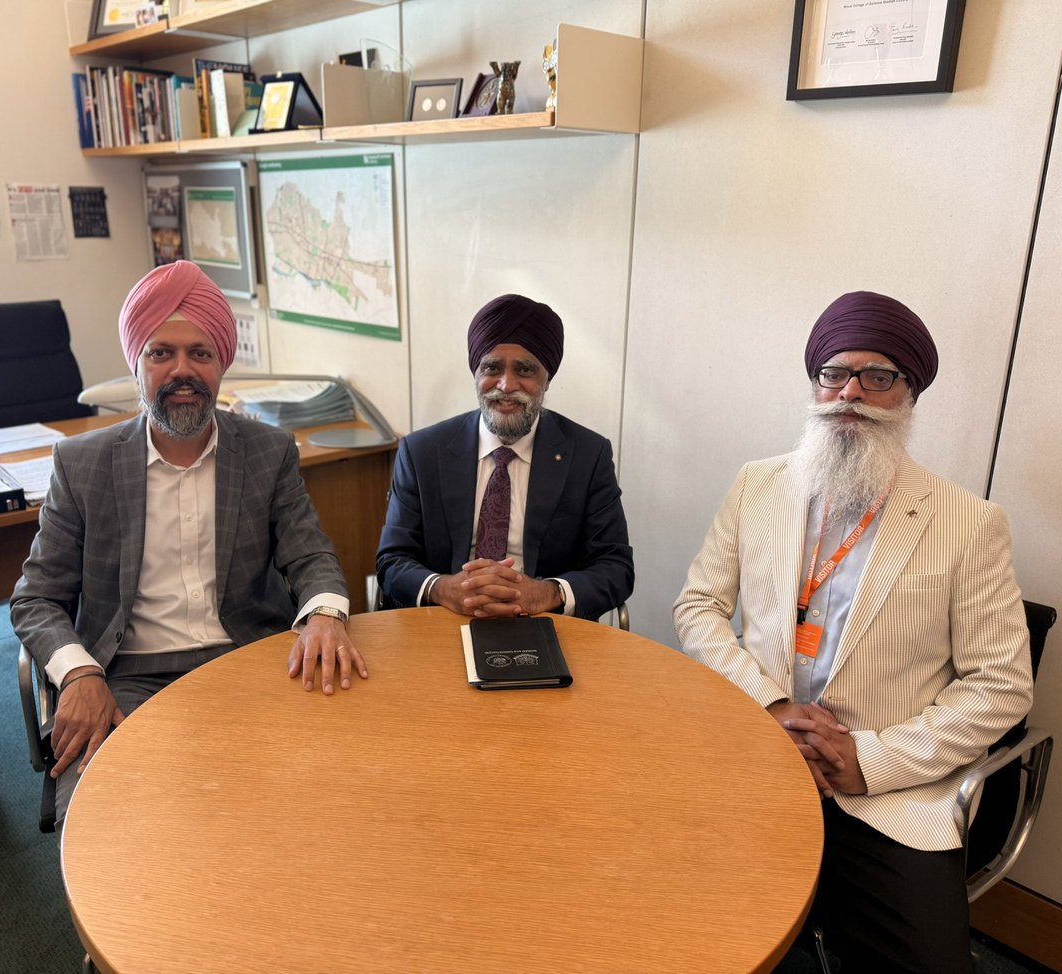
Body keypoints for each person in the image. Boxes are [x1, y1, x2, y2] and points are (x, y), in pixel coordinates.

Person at [673, 290, 1033, 971]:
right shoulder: (758, 485)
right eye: (833, 374)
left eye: (878, 376)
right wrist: (771, 705)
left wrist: (865, 760)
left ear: (910, 394)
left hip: (887, 792)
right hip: (755, 751)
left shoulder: (968, 521)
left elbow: (1002, 686)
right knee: (676, 924)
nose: (850, 394)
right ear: (814, 384)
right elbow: (698, 606)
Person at [11, 260, 366, 824]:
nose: (183, 370)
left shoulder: (267, 451)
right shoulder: (82, 463)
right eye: (161, 353)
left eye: (200, 353)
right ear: (137, 365)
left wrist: (324, 614)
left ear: (222, 363)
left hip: (248, 658)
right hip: (127, 674)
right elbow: (36, 598)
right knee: (118, 826)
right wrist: (79, 673)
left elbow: (310, 553)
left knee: (324, 800)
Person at [377, 293, 633, 620]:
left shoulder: (588, 455)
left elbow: (616, 566)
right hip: (444, 619)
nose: (506, 385)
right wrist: (444, 588)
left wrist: (548, 592)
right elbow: (392, 560)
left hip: (547, 622)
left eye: (525, 370)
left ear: (547, 379)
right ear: (476, 373)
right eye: (492, 368)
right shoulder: (422, 452)